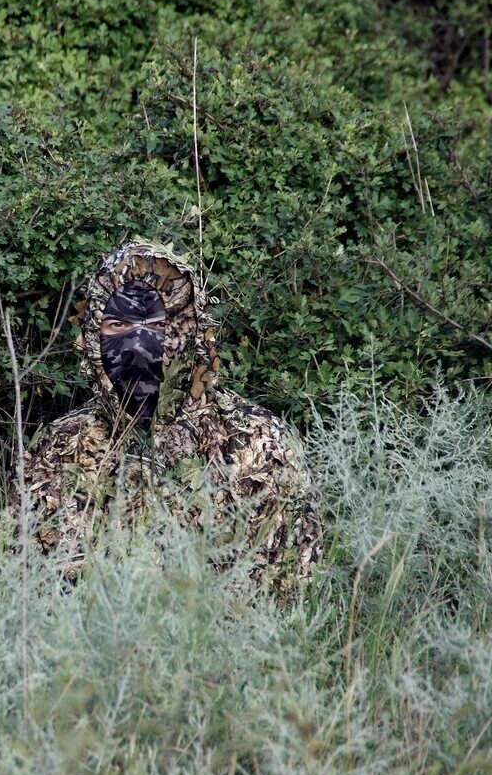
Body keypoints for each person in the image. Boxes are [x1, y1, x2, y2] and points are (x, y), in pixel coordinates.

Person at [17, 239, 323, 599]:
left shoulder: (258, 442)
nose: (137, 344)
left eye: (156, 324)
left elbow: (295, 588)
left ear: (188, 328)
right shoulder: (61, 447)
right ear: (91, 335)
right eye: (117, 324)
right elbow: (22, 587)